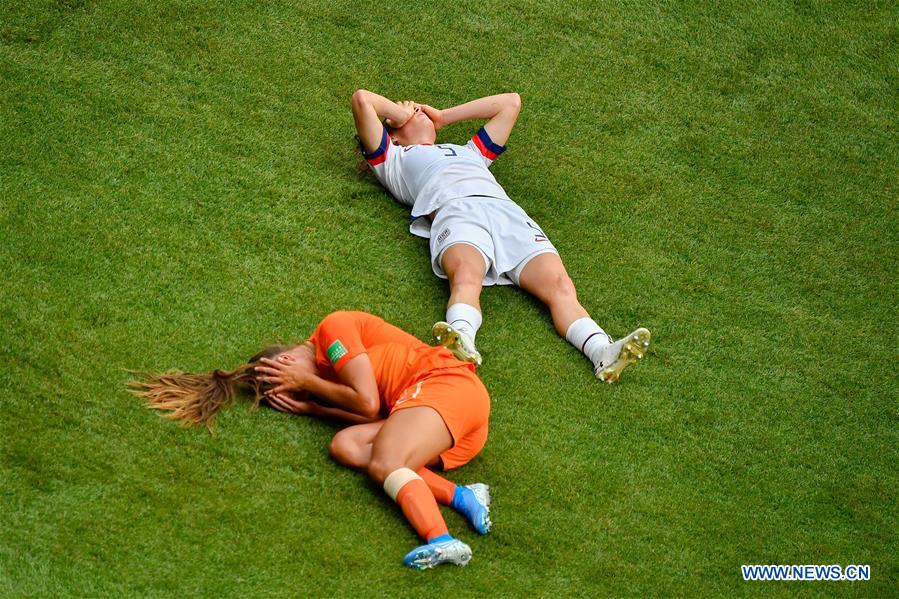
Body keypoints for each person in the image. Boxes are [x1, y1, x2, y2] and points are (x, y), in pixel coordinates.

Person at [129, 310, 492, 570]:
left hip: (447, 387)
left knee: (385, 462)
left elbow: (367, 402)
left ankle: (441, 541)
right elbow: (375, 416)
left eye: (287, 382)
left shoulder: (332, 332)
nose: (303, 392)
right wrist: (315, 409)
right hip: (440, 421)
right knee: (346, 446)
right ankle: (464, 495)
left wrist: (308, 386)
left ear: (287, 360)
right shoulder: (333, 380)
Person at [351, 89, 651, 382]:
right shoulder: (392, 161)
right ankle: (461, 340)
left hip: (509, 215)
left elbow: (510, 103)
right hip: (457, 213)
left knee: (560, 285)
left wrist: (442, 116)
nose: (415, 107)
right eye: (404, 113)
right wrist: (401, 112)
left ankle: (603, 351)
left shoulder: (470, 153)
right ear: (393, 136)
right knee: (467, 275)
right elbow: (363, 99)